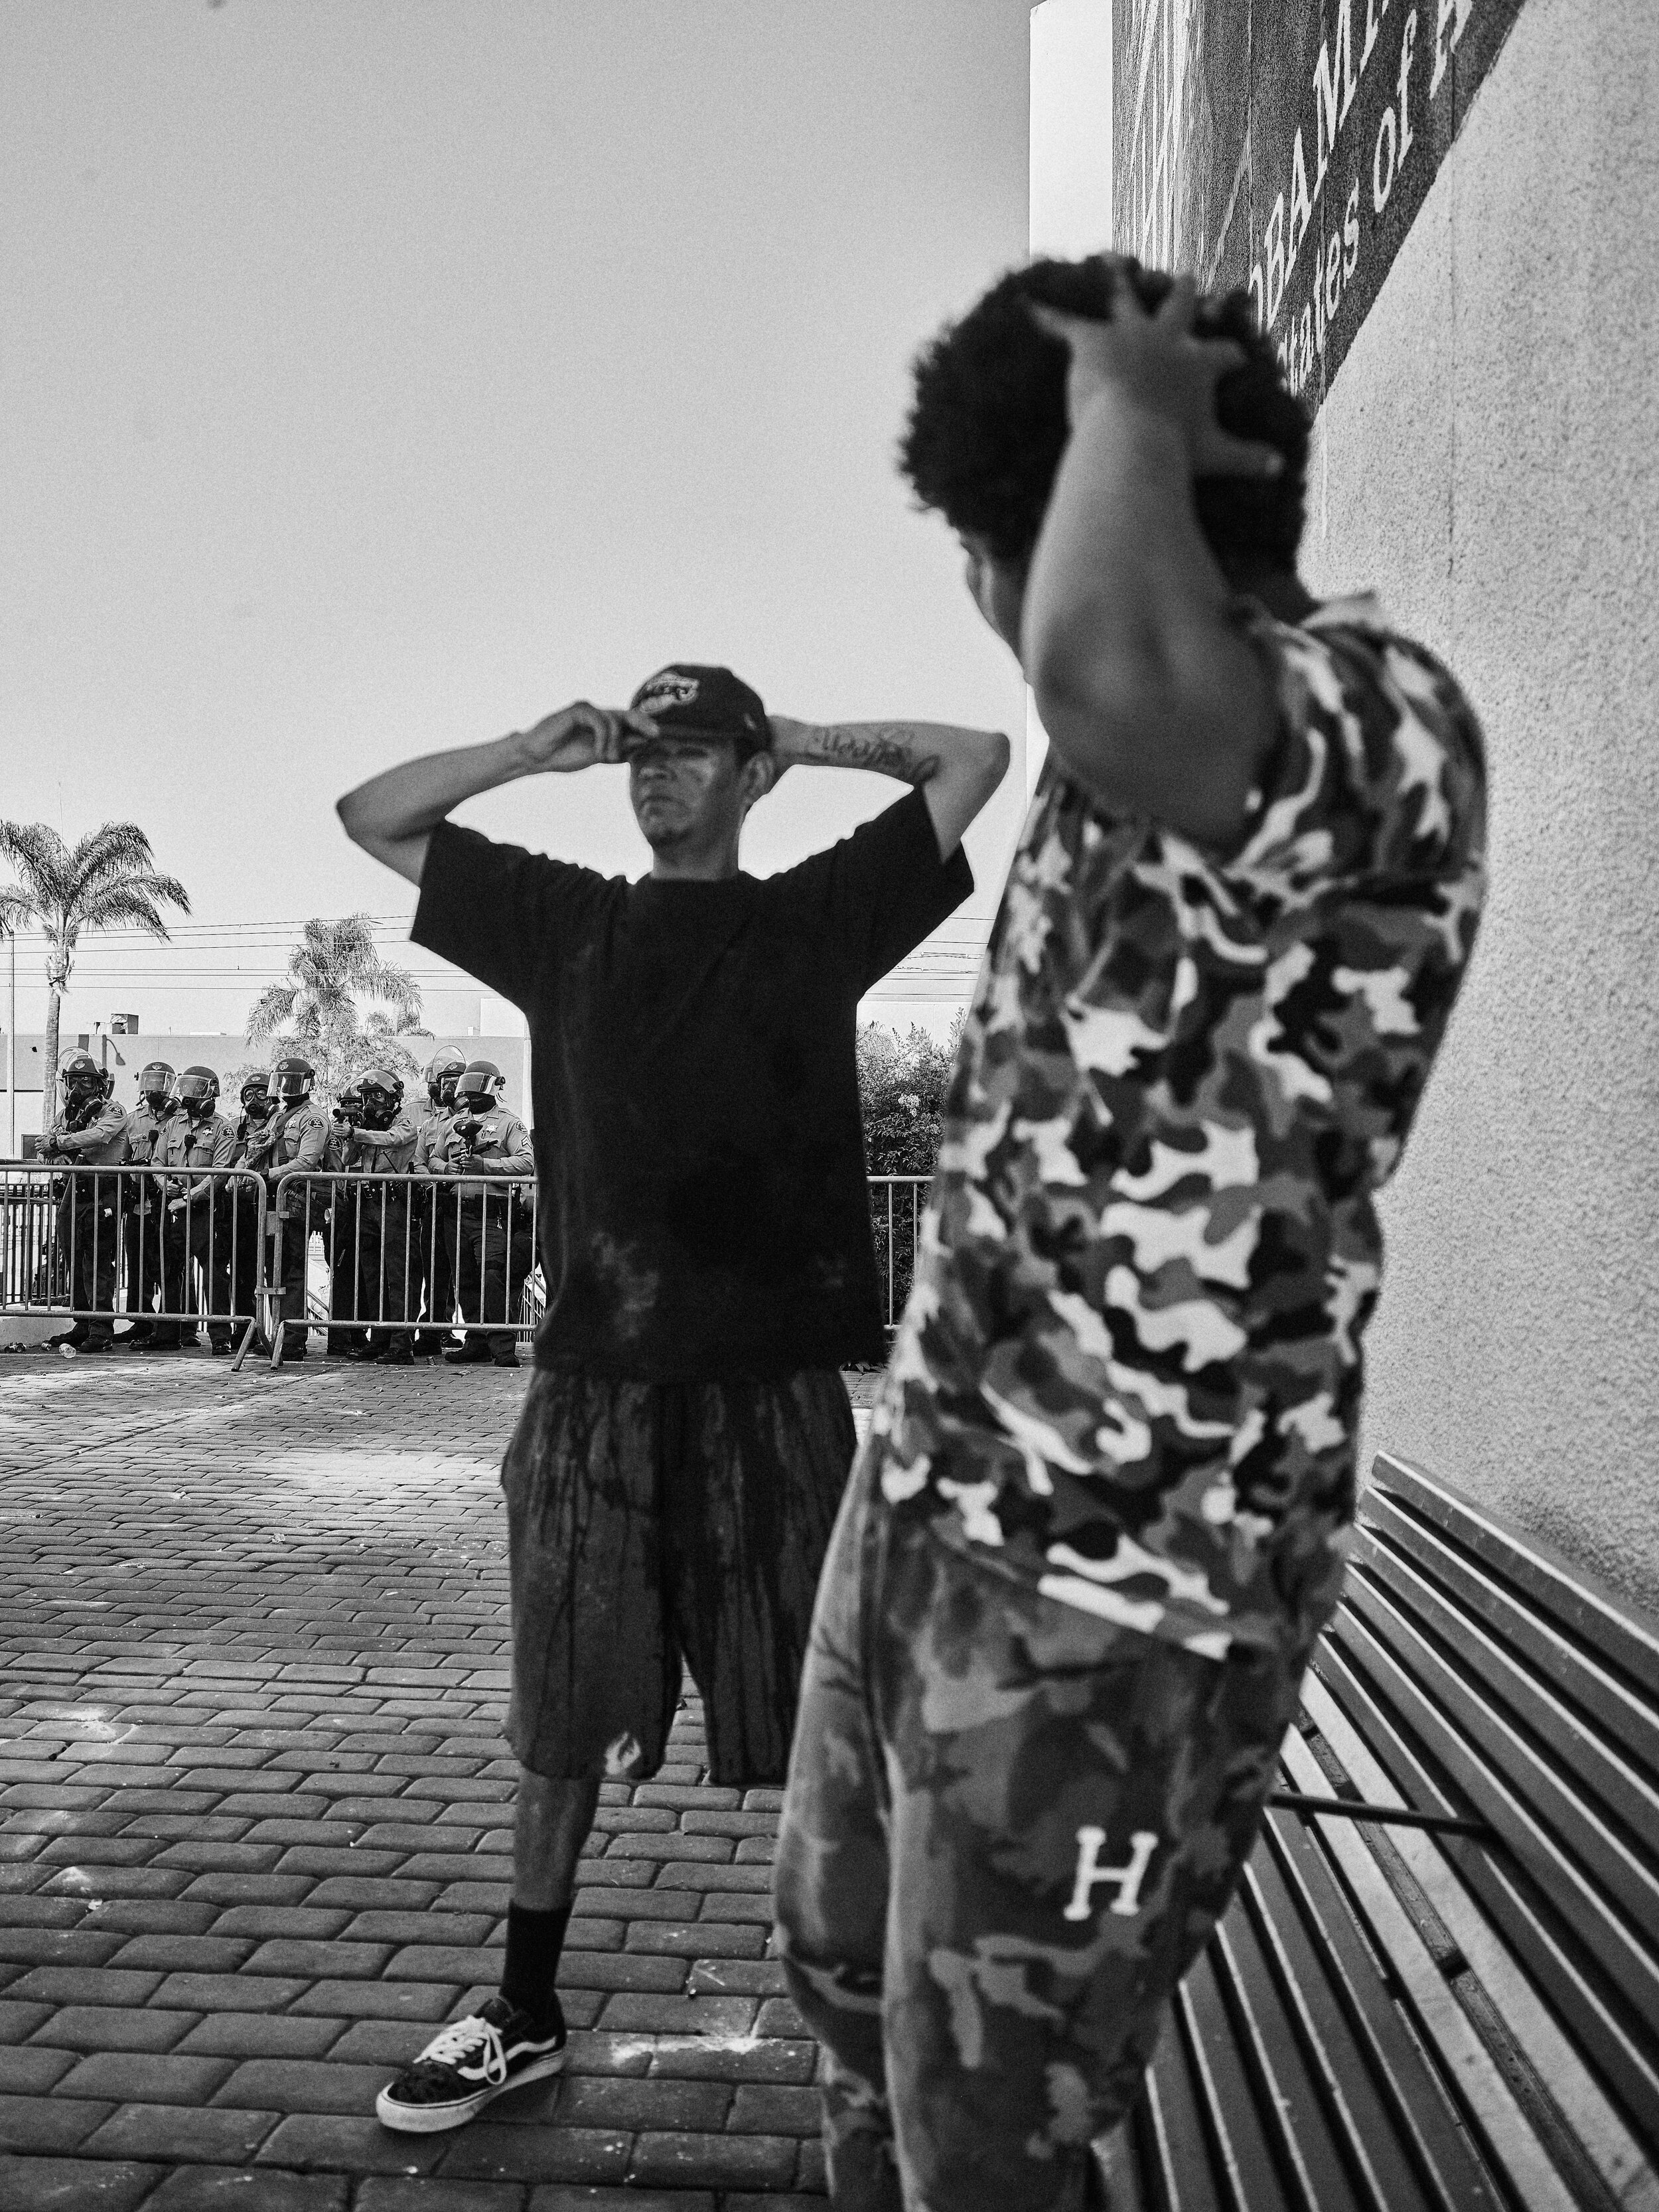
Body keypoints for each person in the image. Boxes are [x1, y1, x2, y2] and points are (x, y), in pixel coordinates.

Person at [770, 256, 1491, 2212]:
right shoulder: (1118, 767)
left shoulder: (1367, 717)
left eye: (974, 547)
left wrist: (1126, 406)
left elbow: (1097, 661)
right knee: (850, 2009)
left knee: (991, 2137)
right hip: (930, 1504)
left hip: (1125, 1599)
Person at [336, 659, 1007, 2132]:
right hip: (592, 1394)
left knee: (838, 1711)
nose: (655, 772)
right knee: (563, 1718)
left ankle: (891, 2005)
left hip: (772, 1396)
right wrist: (527, 748)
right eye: (641, 750)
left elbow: (975, 756)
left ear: (746, 773)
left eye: (692, 751)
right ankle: (521, 2007)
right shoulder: (566, 920)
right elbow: (369, 813)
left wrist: (802, 739)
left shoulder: (812, 920)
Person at [432, 1060, 534, 1369]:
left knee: (494, 1278)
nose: (472, 1094)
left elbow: (526, 1162)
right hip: (457, 1212)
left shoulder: (508, 1123)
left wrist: (486, 1167)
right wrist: (447, 1169)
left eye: (478, 1085)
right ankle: (476, 1342)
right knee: (464, 1280)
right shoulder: (453, 1123)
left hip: (493, 1214)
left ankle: (503, 1347)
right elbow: (433, 1159)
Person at [330, 1066, 420, 1364]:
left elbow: (394, 1139)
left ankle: (401, 1343)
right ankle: (380, 1339)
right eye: (367, 1097)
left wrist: (359, 1132)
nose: (371, 1104)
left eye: (378, 1097)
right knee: (372, 1274)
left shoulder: (405, 1122)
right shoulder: (367, 1128)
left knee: (398, 1274)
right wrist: (349, 1137)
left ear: (393, 1098)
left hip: (394, 1204)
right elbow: (347, 1161)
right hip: (367, 1203)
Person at [40, 1050, 129, 1354]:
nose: (79, 1089)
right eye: (74, 1082)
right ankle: (82, 1322)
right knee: (73, 1259)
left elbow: (100, 1136)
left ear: (99, 1085)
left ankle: (101, 1328)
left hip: (102, 1193)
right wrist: (59, 1154)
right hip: (72, 1193)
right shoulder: (65, 1116)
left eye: (86, 1083)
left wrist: (60, 1143)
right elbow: (43, 1149)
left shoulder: (113, 1110)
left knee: (98, 1261)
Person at [242, 1055, 329, 1361]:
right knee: (270, 1270)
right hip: (267, 1199)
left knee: (291, 1268)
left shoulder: (313, 1118)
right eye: (283, 1081)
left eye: (293, 1081)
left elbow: (307, 1161)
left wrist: (268, 1176)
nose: (287, 1087)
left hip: (295, 1200)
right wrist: (245, 1173)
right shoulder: (277, 1116)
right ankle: (276, 1331)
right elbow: (257, 1147)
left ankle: (293, 1338)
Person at [155, 1067, 238, 1353]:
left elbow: (220, 1171)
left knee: (214, 1273)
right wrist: (166, 1185)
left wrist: (189, 1197)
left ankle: (220, 1337)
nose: (188, 1095)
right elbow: (157, 1160)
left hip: (206, 1211)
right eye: (186, 1088)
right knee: (169, 1271)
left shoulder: (223, 1127)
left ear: (210, 1092)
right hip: (173, 1208)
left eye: (196, 1089)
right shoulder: (173, 1124)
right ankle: (168, 1333)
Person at [411, 1046, 467, 1355]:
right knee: (436, 1268)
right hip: (438, 1200)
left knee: (467, 1272)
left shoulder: (485, 1119)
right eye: (445, 1080)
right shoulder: (433, 1122)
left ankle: (474, 1335)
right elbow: (421, 1161)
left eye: (456, 1080)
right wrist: (442, 1171)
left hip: (472, 1205)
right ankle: (433, 1330)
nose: (450, 1087)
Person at [118, 1060, 177, 1349]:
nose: (154, 1089)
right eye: (149, 1082)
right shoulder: (133, 1119)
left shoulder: (177, 1117)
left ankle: (178, 1326)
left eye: (160, 1082)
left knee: (169, 1262)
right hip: (139, 1196)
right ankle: (141, 1321)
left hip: (168, 1197)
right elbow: (124, 1156)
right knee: (137, 1259)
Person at [228, 1072, 275, 1345]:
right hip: (242, 1207)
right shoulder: (234, 1127)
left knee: (274, 1270)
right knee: (243, 1271)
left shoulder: (279, 1124)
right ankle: (246, 1329)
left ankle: (276, 1332)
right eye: (249, 1094)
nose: (255, 1099)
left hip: (271, 1203)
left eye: (261, 1093)